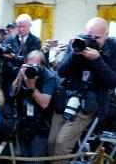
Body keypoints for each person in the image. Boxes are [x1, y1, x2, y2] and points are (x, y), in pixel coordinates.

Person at [48, 17, 116, 164]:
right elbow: (61, 72)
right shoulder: (76, 43)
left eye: (97, 38)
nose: (92, 41)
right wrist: (74, 54)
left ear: (107, 34)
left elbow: (112, 81)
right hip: (66, 98)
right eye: (90, 36)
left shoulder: (113, 47)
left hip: (89, 103)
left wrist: (97, 59)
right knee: (52, 141)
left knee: (61, 143)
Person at [9, 50, 56, 164]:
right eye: (29, 65)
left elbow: (44, 103)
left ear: (42, 65)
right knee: (25, 159)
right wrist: (19, 77)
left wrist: (32, 87)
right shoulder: (24, 73)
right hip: (23, 123)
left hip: (40, 128)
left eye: (35, 65)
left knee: (36, 161)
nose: (32, 69)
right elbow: (12, 93)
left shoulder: (49, 77)